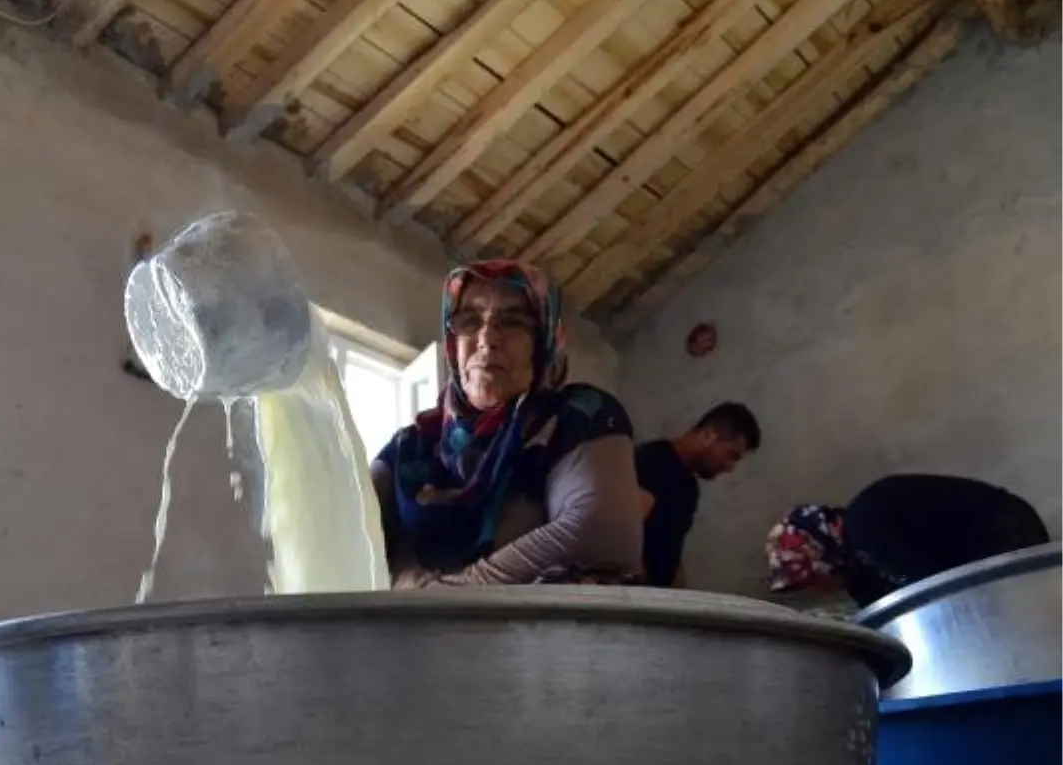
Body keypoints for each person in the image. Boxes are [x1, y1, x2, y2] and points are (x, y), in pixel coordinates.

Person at [370, 259, 642, 587]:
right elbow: (341, 532)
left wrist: (452, 592)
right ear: (453, 343)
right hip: (408, 637)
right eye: (469, 320)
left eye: (512, 321)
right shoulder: (409, 447)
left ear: (544, 339)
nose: (486, 338)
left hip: (534, 637)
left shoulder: (579, 415)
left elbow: (601, 534)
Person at [766, 474, 1050, 608]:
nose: (820, 589)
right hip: (974, 560)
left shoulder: (866, 523)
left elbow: (934, 594)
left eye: (812, 579)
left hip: (1002, 529)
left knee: (1027, 616)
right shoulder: (860, 572)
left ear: (820, 551)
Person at [636, 403, 762, 588]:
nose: (730, 467)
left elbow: (672, 552)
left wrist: (684, 601)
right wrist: (639, 593)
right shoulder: (654, 461)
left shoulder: (689, 486)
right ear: (707, 435)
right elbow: (628, 532)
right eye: (731, 455)